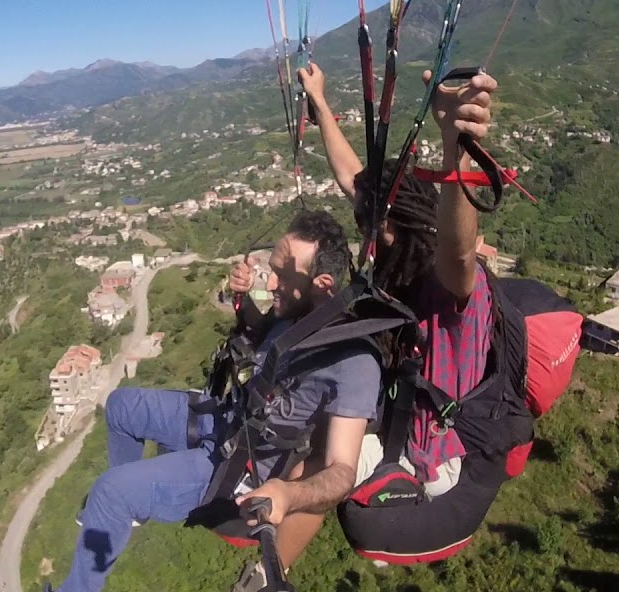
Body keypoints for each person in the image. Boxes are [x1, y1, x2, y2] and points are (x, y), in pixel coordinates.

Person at [228, 62, 503, 590]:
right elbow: (350, 172)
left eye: (371, 227)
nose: (364, 238)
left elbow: (460, 250)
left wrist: (455, 149)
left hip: (436, 453)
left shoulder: (448, 293)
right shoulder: (394, 256)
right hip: (399, 415)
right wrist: (319, 100)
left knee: (321, 449)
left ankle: (265, 576)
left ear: (396, 232)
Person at [45, 209, 382, 592]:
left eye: (282, 277)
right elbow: (261, 338)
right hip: (226, 418)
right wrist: (243, 301)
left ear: (322, 283)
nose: (270, 283)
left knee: (110, 490)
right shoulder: (296, 315)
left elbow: (342, 470)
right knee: (121, 407)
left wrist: (289, 494)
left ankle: (110, 520)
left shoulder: (353, 361)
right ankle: (128, 510)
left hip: (240, 465)